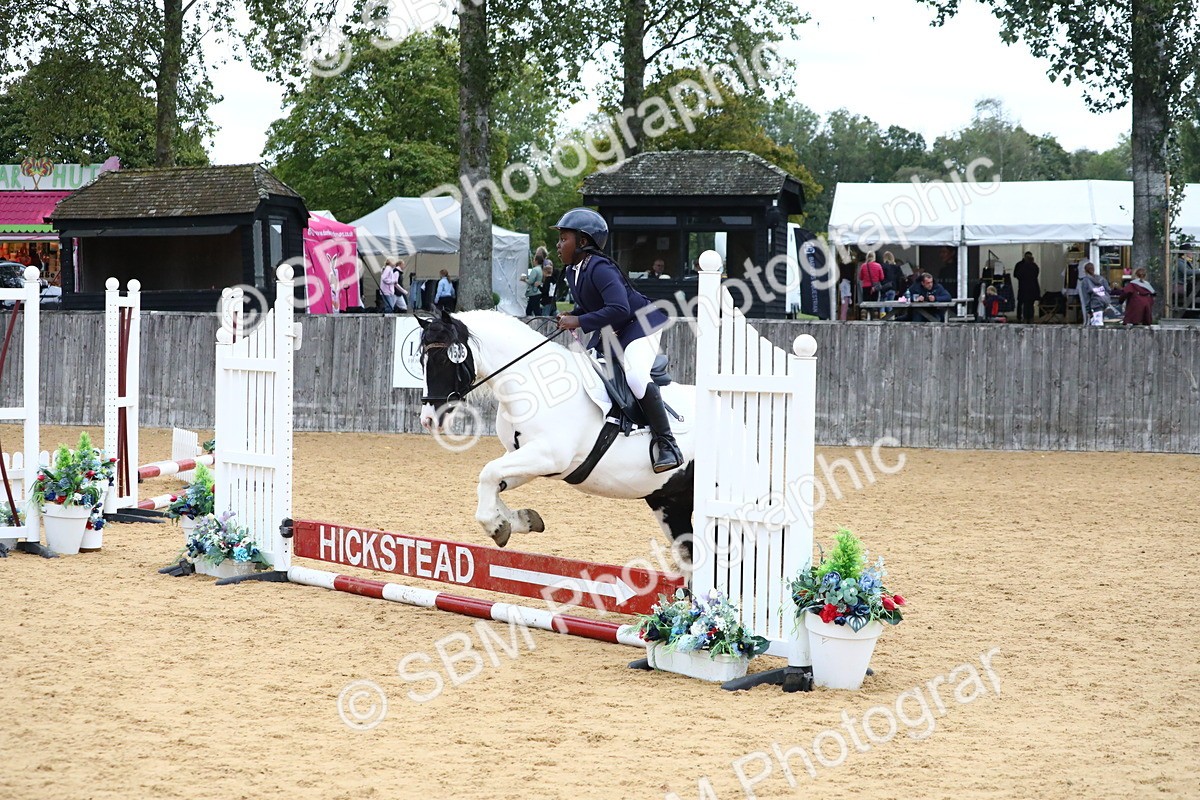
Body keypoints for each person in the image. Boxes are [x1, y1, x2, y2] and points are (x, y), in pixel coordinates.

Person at [552, 207, 682, 474]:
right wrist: (572, 314)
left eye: (564, 238)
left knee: (634, 376)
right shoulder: (572, 271)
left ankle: (668, 444)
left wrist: (578, 322)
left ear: (583, 242)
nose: (558, 244)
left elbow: (620, 308)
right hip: (615, 330)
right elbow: (592, 305)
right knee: (586, 368)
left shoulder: (600, 267)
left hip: (641, 323)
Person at [1077, 262, 1114, 326]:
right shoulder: (1101, 278)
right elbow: (1108, 290)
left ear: (1085, 270)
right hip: (1105, 302)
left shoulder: (1085, 281)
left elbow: (1086, 297)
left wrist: (1088, 310)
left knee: (1097, 325)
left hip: (1095, 304)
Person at [1013, 251, 1041, 323]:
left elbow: (1017, 275)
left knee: (1025, 304)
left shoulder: (1021, 266)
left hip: (1024, 287)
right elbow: (1036, 274)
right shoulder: (1034, 266)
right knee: (1030, 304)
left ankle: (1025, 318)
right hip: (1032, 288)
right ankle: (1029, 318)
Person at [521, 250, 545, 316]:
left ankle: (538, 323)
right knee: (531, 310)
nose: (533, 261)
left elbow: (531, 281)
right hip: (537, 292)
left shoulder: (535, 270)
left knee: (535, 311)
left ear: (536, 260)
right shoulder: (540, 269)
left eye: (534, 259)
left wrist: (524, 279)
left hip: (533, 293)